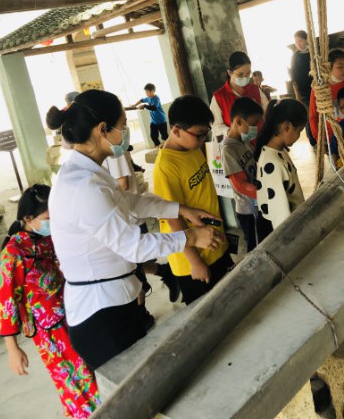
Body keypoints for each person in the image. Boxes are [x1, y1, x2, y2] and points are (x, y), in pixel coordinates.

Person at [46, 89, 224, 370]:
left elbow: (129, 201)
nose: (126, 132)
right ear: (102, 130)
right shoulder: (84, 187)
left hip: (115, 301)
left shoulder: (89, 173)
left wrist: (180, 209)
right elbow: (134, 247)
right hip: (102, 314)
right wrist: (190, 236)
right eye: (123, 125)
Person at [0, 185, 100, 418]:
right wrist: (12, 348)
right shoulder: (14, 252)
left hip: (73, 312)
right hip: (49, 331)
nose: (52, 223)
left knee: (90, 369)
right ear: (28, 218)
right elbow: (7, 301)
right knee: (74, 380)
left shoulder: (47, 238)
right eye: (47, 219)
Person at [153, 95, 233, 305]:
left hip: (214, 242)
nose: (202, 140)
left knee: (233, 298)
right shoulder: (165, 167)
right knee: (210, 311)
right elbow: (172, 218)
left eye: (205, 134)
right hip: (192, 259)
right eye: (199, 135)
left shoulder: (192, 148)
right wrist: (195, 262)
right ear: (176, 130)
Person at [103, 151, 180, 312]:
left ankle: (142, 313)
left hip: (129, 220)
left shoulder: (112, 153)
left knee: (133, 270)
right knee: (132, 266)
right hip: (123, 219)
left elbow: (123, 185)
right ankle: (164, 272)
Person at [220, 97, 273, 252]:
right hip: (249, 211)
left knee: (266, 241)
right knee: (256, 248)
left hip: (258, 204)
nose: (255, 127)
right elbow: (240, 185)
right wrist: (267, 195)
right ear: (238, 121)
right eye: (253, 123)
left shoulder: (243, 142)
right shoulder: (228, 150)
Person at [254, 99, 307, 230]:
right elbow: (279, 212)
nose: (299, 136)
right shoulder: (273, 162)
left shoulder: (277, 151)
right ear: (287, 127)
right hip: (278, 229)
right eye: (299, 130)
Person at [210, 51, 269, 141]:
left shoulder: (255, 90)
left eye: (248, 73)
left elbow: (268, 112)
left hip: (261, 141)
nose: (245, 77)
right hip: (237, 144)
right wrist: (230, 131)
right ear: (230, 73)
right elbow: (216, 126)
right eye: (240, 74)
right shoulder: (219, 97)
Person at [309, 48, 344, 144]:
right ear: (328, 68)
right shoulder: (320, 89)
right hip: (330, 138)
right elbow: (313, 115)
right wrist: (318, 137)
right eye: (340, 67)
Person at [290, 30, 315, 146]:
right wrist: (297, 94)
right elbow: (294, 78)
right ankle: (313, 140)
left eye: (300, 41)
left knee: (318, 113)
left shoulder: (313, 54)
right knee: (309, 116)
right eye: (296, 42)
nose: (298, 44)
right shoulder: (295, 56)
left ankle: (320, 136)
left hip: (315, 89)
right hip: (303, 92)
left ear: (306, 40)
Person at [131, 83, 168, 147]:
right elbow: (141, 100)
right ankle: (159, 148)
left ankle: (170, 146)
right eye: (145, 92)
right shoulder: (148, 98)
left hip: (161, 120)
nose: (146, 93)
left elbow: (154, 108)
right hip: (153, 121)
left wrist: (144, 106)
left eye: (147, 92)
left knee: (164, 136)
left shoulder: (156, 98)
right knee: (153, 136)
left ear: (152, 91)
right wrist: (134, 105)